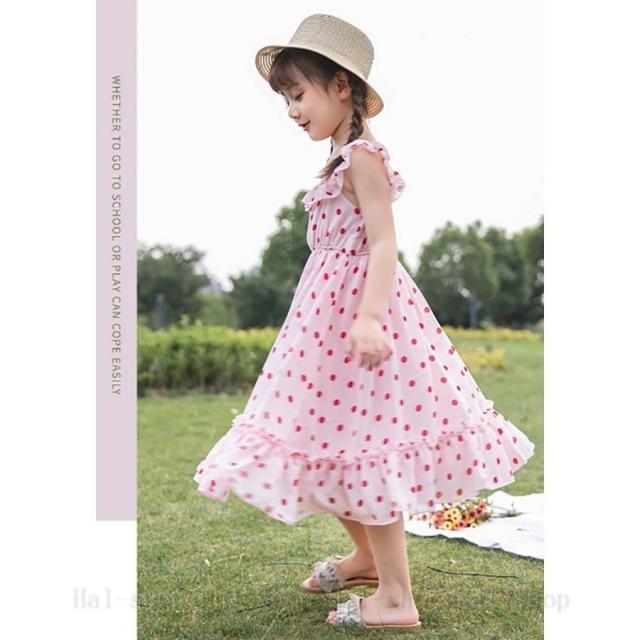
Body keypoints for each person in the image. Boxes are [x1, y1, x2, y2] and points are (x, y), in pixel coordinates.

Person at [193, 13, 536, 632]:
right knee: (327, 439)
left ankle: (397, 598)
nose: (292, 110)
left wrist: (371, 317)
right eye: (285, 99)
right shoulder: (337, 160)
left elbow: (383, 243)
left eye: (299, 94)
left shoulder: (363, 158)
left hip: (362, 322)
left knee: (366, 443)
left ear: (341, 87)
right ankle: (366, 559)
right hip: (323, 328)